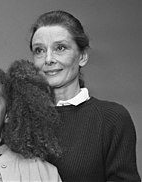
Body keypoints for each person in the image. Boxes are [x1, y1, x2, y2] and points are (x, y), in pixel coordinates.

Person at [29, 10, 141, 181]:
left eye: (60, 48)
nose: (48, 59)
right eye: (39, 50)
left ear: (82, 57)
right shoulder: (20, 119)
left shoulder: (111, 119)